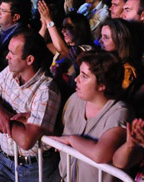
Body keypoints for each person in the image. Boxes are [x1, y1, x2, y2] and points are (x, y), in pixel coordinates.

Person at [0, 29, 61, 182]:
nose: (7, 56)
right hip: (5, 161)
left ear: (29, 60)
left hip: (35, 168)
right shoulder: (10, 71)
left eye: (12, 53)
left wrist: (2, 118)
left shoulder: (46, 90)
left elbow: (26, 140)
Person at [51, 50, 133, 182]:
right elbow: (59, 133)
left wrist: (72, 140)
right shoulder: (74, 99)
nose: (76, 79)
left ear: (102, 85)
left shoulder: (120, 111)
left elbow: (100, 154)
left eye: (84, 76)